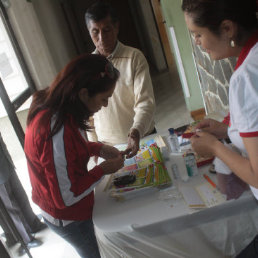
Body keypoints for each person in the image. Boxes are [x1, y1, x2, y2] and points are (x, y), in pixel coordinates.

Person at [24, 54, 124, 258]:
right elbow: (65, 197)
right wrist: (103, 170)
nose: (105, 105)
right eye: (104, 99)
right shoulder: (55, 127)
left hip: (67, 209)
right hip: (68, 217)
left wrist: (97, 148)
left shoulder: (61, 106)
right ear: (84, 93)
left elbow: (65, 153)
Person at [181, 0, 258, 256]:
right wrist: (227, 132)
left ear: (227, 28)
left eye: (198, 34)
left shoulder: (246, 76)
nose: (198, 43)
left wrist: (214, 147)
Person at [85, 1, 156, 158]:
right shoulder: (87, 66)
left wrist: (136, 131)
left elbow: (145, 102)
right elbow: (87, 113)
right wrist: (94, 145)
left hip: (142, 138)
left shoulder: (134, 57)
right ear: (89, 32)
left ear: (116, 28)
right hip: (107, 147)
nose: (101, 38)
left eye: (107, 30)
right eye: (95, 32)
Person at [0, 133, 45, 256]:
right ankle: (26, 239)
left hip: (6, 164)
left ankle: (33, 224)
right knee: (12, 208)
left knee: (22, 196)